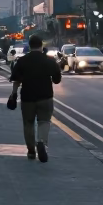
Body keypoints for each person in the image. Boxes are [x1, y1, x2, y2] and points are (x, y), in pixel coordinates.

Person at [9, 32, 62, 161]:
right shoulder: (49, 61)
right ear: (41, 45)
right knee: (44, 122)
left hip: (27, 97)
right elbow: (57, 80)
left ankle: (31, 150)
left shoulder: (22, 61)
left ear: (29, 45)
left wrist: (14, 94)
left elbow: (16, 80)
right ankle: (42, 142)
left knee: (28, 123)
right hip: (45, 96)